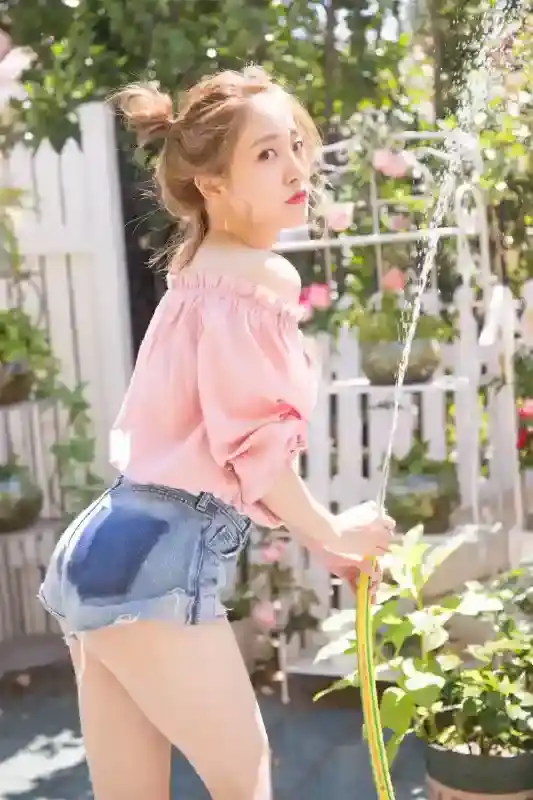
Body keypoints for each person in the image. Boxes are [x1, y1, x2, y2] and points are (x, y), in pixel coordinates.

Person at [38, 66, 395, 800]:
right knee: (244, 780)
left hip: (99, 548)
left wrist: (324, 541)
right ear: (212, 183)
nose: (295, 168)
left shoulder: (196, 268)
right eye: (266, 154)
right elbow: (254, 448)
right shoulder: (260, 278)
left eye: (295, 145)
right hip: (155, 558)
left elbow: (219, 445)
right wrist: (332, 529)